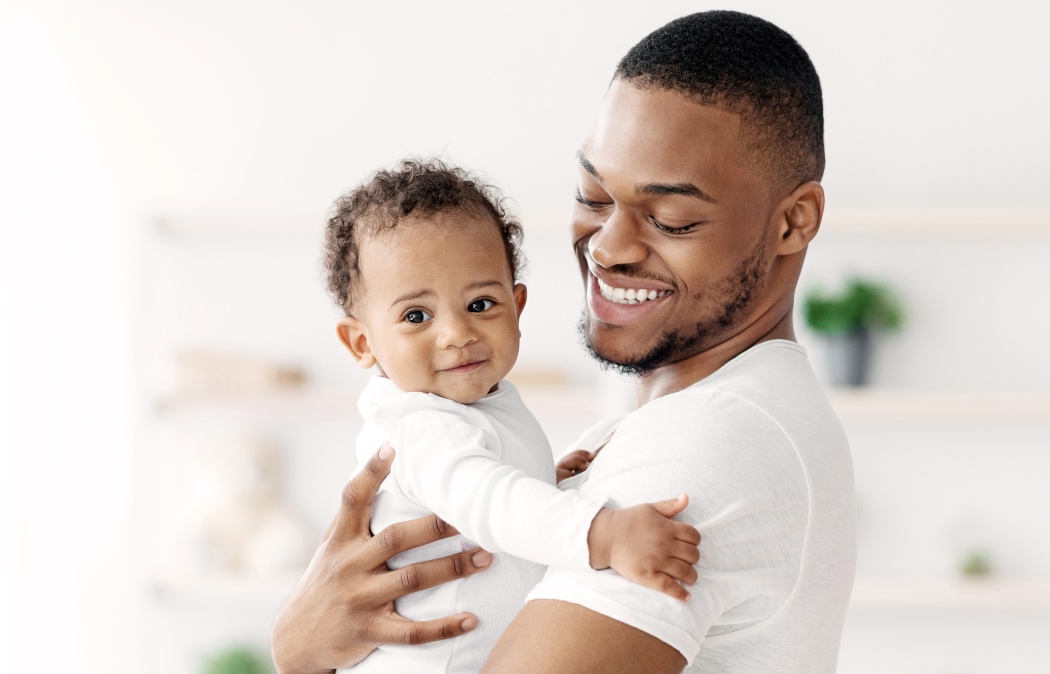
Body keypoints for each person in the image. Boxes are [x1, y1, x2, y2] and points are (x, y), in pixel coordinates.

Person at [272, 10, 856, 674]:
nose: (608, 247)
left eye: (670, 217)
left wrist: (299, 650)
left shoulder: (705, 441)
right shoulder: (698, 420)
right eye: (594, 196)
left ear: (794, 221)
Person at [320, 158, 702, 673]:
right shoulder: (418, 425)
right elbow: (492, 501)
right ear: (362, 343)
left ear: (517, 306)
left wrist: (542, 477)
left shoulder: (474, 404)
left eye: (480, 304)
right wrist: (604, 534)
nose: (457, 333)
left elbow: (488, 495)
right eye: (416, 316)